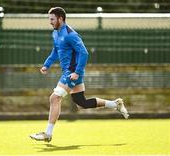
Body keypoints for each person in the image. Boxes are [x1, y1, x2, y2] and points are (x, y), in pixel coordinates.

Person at [30, 7, 129, 143]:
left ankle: (47, 133)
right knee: (81, 103)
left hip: (72, 73)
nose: (50, 22)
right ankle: (115, 104)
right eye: (49, 19)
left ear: (60, 18)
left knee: (54, 98)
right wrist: (46, 65)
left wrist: (77, 72)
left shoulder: (71, 34)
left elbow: (84, 53)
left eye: (52, 19)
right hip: (69, 73)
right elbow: (55, 51)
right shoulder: (56, 33)